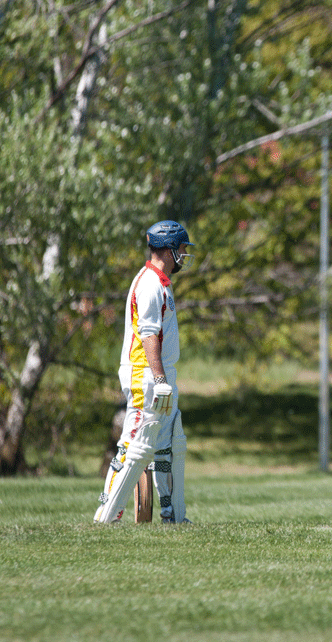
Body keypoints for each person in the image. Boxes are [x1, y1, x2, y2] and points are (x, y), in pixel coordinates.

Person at [94, 220, 195, 524]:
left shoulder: (161, 282)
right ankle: (107, 514)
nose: (184, 255)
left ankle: (172, 515)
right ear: (168, 249)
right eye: (181, 248)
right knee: (133, 444)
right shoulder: (149, 283)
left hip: (160, 374)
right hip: (145, 374)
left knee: (168, 444)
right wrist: (160, 379)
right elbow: (149, 334)